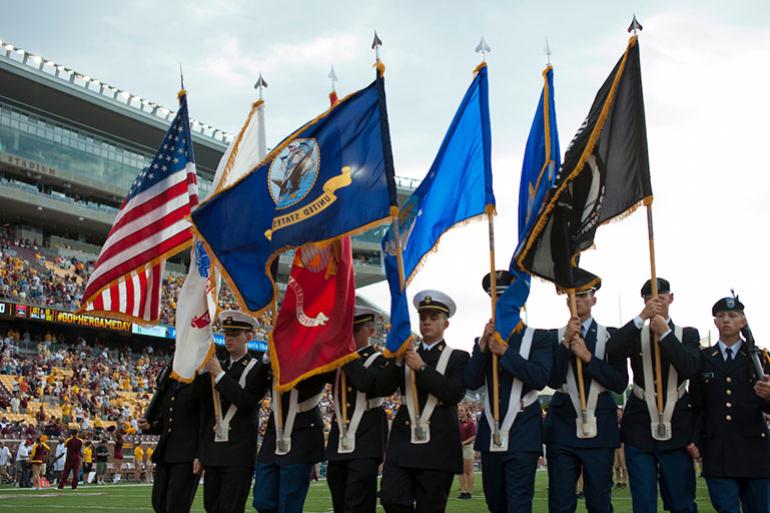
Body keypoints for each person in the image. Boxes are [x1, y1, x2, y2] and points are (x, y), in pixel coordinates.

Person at [606, 278, 700, 513]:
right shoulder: (636, 333)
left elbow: (689, 368)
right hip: (640, 427)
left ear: (671, 298)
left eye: (660, 297)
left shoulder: (687, 334)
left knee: (681, 501)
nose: (655, 302)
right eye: (649, 299)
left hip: (677, 426)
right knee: (644, 503)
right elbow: (612, 349)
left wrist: (665, 334)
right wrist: (640, 318)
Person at [464, 270, 555, 513]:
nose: (498, 305)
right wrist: (483, 347)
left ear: (518, 302)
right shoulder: (483, 340)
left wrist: (505, 353)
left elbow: (539, 377)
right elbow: (471, 382)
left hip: (523, 431)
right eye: (494, 300)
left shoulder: (539, 338)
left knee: (519, 503)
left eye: (504, 299)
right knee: (496, 502)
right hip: (490, 433)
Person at [380, 290, 470, 513]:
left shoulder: (458, 357)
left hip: (438, 444)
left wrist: (421, 367)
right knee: (391, 497)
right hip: (404, 441)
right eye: (423, 318)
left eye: (433, 318)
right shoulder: (405, 354)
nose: (427, 322)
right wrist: (397, 362)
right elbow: (383, 389)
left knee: (430, 507)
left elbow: (452, 393)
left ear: (445, 324)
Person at [545, 284, 628, 513]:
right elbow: (552, 380)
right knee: (561, 502)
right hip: (562, 424)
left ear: (594, 300)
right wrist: (565, 343)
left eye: (582, 295)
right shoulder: (554, 336)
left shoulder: (611, 335)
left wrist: (588, 358)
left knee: (599, 501)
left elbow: (620, 382)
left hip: (600, 424)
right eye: (572, 296)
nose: (577, 300)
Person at [688, 296, 770, 513]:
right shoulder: (703, 359)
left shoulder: (759, 358)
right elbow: (697, 406)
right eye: (721, 316)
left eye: (733, 316)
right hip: (718, 451)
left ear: (743, 322)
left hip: (755, 452)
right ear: (715, 322)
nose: (726, 320)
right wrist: (694, 439)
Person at [325, 306, 400, 513]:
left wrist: (347, 355)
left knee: (358, 503)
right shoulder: (338, 360)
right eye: (346, 331)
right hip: (339, 438)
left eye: (355, 331)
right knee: (338, 501)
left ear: (371, 332)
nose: (349, 335)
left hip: (366, 436)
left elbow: (368, 383)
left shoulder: (380, 360)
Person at [199, 310, 270, 513]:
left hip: (238, 454)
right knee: (211, 507)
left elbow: (245, 400)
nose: (229, 338)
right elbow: (208, 414)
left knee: (231, 508)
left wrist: (219, 374)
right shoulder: (218, 367)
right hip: (213, 454)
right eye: (226, 334)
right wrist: (202, 454)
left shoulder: (257, 368)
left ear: (249, 336)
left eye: (235, 334)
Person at [253, 361, 333, 512]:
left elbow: (308, 386)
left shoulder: (315, 354)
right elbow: (253, 387)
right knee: (262, 500)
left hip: (302, 430)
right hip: (274, 431)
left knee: (290, 505)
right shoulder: (274, 355)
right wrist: (266, 360)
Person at [138, 363, 208, 513]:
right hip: (166, 451)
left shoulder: (201, 381)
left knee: (177, 505)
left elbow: (204, 421)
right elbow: (167, 418)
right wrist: (149, 427)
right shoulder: (172, 382)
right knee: (158, 502)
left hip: (187, 454)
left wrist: (200, 455)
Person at [457, 403, 476, 500]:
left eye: (461, 410)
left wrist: (463, 443)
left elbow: (473, 436)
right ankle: (462, 491)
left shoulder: (470, 423)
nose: (459, 412)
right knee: (460, 471)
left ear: (466, 412)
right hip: (458, 448)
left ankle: (469, 491)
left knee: (468, 471)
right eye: (459, 410)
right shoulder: (456, 422)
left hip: (467, 447)